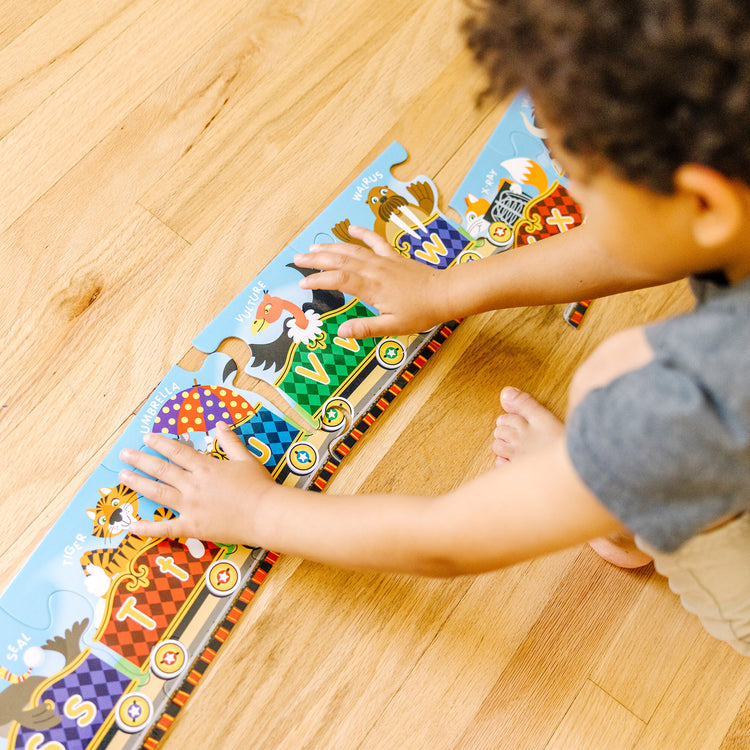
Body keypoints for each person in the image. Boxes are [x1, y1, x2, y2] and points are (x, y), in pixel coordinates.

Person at [121, 0, 750, 654]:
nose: (575, 199)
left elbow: (447, 540)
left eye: (580, 185)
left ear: (704, 203)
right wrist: (448, 287)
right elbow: (629, 245)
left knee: (617, 386)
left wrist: (259, 512)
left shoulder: (691, 398)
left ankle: (620, 518)